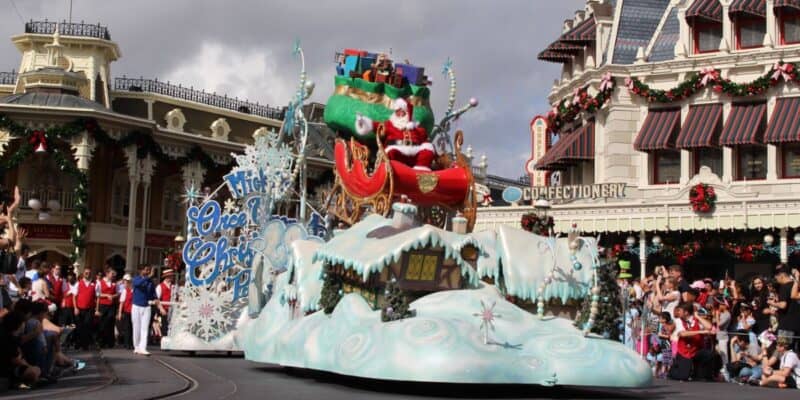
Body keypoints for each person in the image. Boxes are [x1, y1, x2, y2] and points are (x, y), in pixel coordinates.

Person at [354, 98, 435, 171]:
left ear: (407, 112)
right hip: (397, 152)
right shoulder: (390, 124)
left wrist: (429, 150)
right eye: (397, 111)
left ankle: (420, 172)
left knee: (428, 149)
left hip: (415, 153)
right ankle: (393, 172)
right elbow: (377, 126)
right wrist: (363, 121)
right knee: (391, 153)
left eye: (401, 111)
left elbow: (425, 141)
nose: (399, 113)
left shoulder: (417, 129)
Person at [669, 302, 713, 381]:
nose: (678, 312)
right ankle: (672, 371)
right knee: (683, 376)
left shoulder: (695, 320)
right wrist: (700, 332)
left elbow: (709, 327)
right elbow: (682, 334)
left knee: (708, 354)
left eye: (680, 311)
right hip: (684, 351)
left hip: (696, 350)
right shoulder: (678, 321)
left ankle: (699, 374)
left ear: (686, 312)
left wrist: (697, 316)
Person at [0, 312, 40, 389]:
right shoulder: (9, 339)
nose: (24, 325)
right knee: (34, 371)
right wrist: (29, 367)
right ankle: (20, 383)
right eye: (23, 323)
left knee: (35, 369)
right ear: (19, 324)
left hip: (9, 367)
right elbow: (15, 360)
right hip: (6, 370)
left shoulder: (9, 334)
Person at [132, 264, 162, 356]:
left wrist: (156, 298)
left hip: (147, 306)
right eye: (146, 270)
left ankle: (143, 347)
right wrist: (148, 277)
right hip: (137, 306)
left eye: (149, 270)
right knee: (137, 327)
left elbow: (153, 292)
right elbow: (138, 284)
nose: (148, 272)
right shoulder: (136, 279)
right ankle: (136, 347)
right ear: (140, 271)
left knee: (145, 328)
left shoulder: (150, 281)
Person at [74, 268, 97, 350]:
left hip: (89, 308)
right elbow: (74, 296)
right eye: (86, 273)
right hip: (80, 308)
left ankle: (85, 345)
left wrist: (96, 309)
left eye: (89, 273)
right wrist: (75, 308)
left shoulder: (94, 284)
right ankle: (78, 343)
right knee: (79, 326)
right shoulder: (78, 283)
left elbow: (97, 297)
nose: (88, 274)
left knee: (87, 326)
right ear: (83, 274)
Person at [95, 268, 118, 348]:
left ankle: (110, 342)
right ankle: (101, 341)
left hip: (111, 305)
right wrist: (106, 295)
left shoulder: (114, 283)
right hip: (103, 305)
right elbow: (98, 294)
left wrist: (113, 296)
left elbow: (117, 293)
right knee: (102, 323)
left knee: (110, 321)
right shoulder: (100, 283)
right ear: (107, 274)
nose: (113, 276)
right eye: (112, 274)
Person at [155, 269, 175, 338]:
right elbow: (157, 299)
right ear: (166, 277)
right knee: (164, 326)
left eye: (172, 276)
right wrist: (161, 309)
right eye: (170, 276)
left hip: (172, 310)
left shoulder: (173, 286)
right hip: (164, 309)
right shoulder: (160, 286)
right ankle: (164, 341)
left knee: (171, 326)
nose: (171, 278)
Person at [116, 274, 133, 349]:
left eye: (127, 282)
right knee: (127, 327)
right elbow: (121, 303)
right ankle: (126, 343)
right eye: (125, 282)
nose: (125, 284)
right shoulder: (125, 291)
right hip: (127, 311)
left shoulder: (134, 290)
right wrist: (119, 313)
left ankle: (131, 343)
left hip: (134, 311)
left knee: (133, 328)